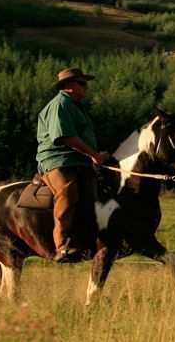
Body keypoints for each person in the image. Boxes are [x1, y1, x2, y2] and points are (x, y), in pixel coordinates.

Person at [36, 68, 108, 262]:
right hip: (58, 160)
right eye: (82, 83)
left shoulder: (77, 107)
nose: (87, 87)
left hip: (80, 161)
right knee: (67, 191)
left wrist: (97, 155)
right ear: (68, 86)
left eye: (86, 83)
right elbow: (66, 137)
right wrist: (93, 154)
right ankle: (62, 246)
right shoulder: (60, 104)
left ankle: (90, 241)